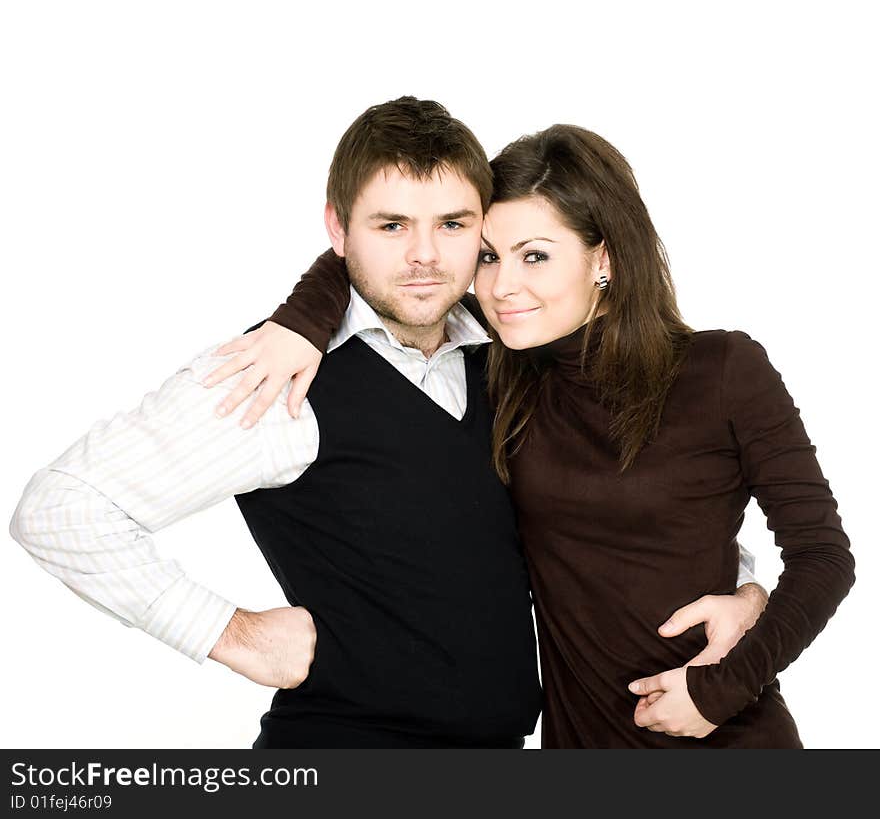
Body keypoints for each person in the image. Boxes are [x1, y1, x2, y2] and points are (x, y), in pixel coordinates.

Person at [10, 98, 764, 749]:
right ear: (338, 230)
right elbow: (62, 510)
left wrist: (745, 589)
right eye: (392, 224)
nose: (425, 257)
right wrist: (232, 635)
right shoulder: (277, 375)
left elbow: (620, 505)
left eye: (453, 224)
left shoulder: (503, 352)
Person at [217, 118, 855, 747]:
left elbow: (824, 555)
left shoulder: (722, 370)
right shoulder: (503, 372)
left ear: (602, 257)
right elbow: (392, 266)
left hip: (723, 736)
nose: (501, 286)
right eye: (489, 257)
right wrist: (300, 322)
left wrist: (728, 676)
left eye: (536, 257)